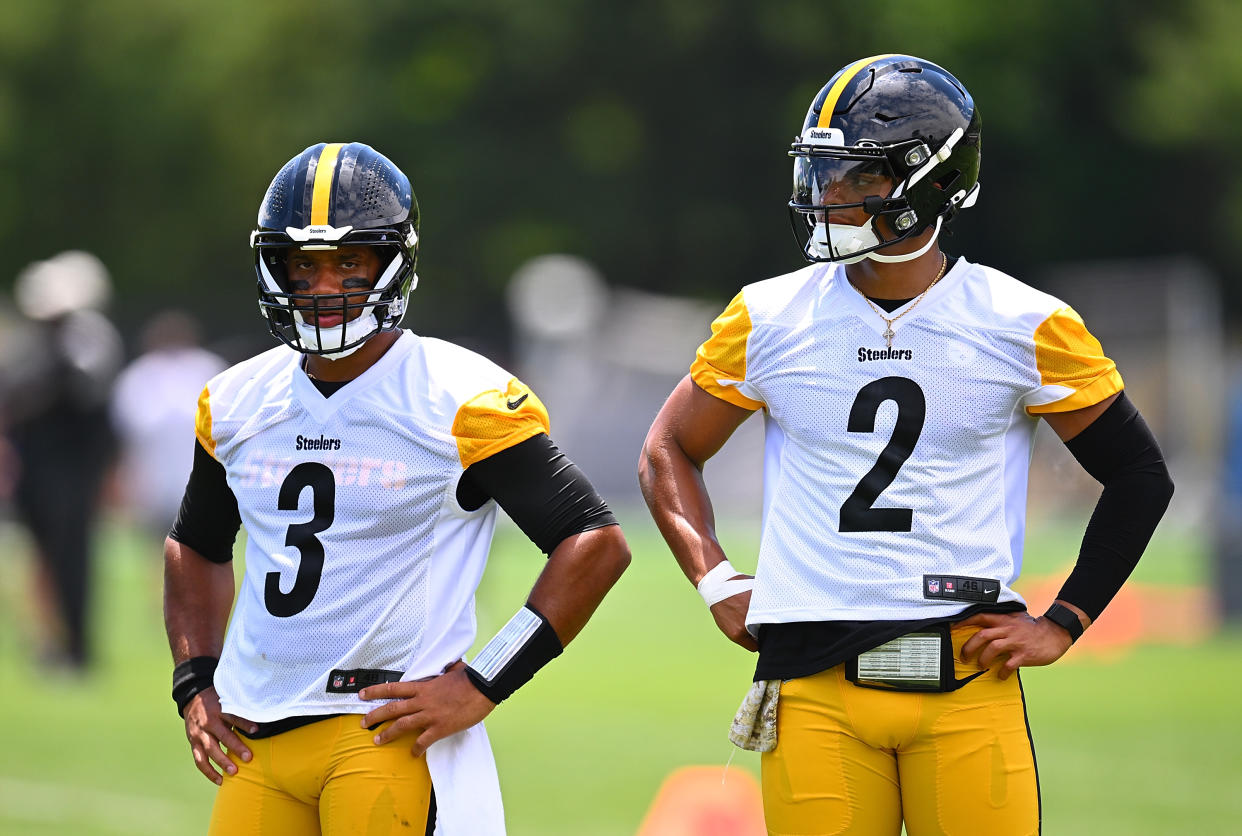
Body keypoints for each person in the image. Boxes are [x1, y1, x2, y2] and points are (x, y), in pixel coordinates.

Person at [638, 55, 1174, 835]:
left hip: (966, 670)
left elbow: (1139, 475)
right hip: (814, 681)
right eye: (821, 174)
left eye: (853, 178)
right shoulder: (768, 315)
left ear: (928, 186)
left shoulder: (1022, 321)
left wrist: (1066, 619)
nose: (825, 197)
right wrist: (714, 578)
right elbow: (668, 450)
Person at [163, 141, 630, 835]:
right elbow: (194, 546)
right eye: (304, 264)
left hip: (381, 732)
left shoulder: (460, 397)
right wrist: (195, 683)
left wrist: (482, 681)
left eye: (349, 261)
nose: (324, 285)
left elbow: (594, 542)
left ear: (393, 263)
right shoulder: (235, 400)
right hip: (255, 735)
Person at [2, 250, 122, 671]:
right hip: (37, 471)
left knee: (71, 558)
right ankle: (49, 641)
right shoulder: (30, 347)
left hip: (71, 473)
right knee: (41, 559)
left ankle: (75, 646)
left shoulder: (86, 343)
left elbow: (94, 403)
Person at [111, 310, 226, 538]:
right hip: (151, 473)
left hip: (201, 469)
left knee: (203, 538)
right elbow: (126, 428)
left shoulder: (207, 367)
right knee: (158, 538)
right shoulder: (140, 374)